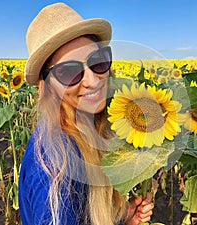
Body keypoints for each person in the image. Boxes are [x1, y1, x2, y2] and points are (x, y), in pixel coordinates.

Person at [19, 2, 154, 225]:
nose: (92, 81)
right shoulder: (57, 171)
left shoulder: (87, 129)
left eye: (98, 62)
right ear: (48, 85)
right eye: (70, 72)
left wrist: (121, 220)